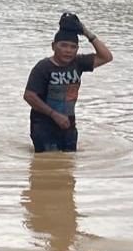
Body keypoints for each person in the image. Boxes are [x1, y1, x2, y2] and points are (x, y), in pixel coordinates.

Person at [23, 14, 113, 152]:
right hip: (43, 126)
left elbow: (107, 56)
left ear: (77, 49)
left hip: (68, 125)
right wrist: (54, 114)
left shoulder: (79, 63)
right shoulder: (43, 67)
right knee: (48, 166)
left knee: (68, 167)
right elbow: (29, 96)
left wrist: (86, 32)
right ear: (53, 46)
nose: (68, 50)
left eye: (73, 47)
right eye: (63, 46)